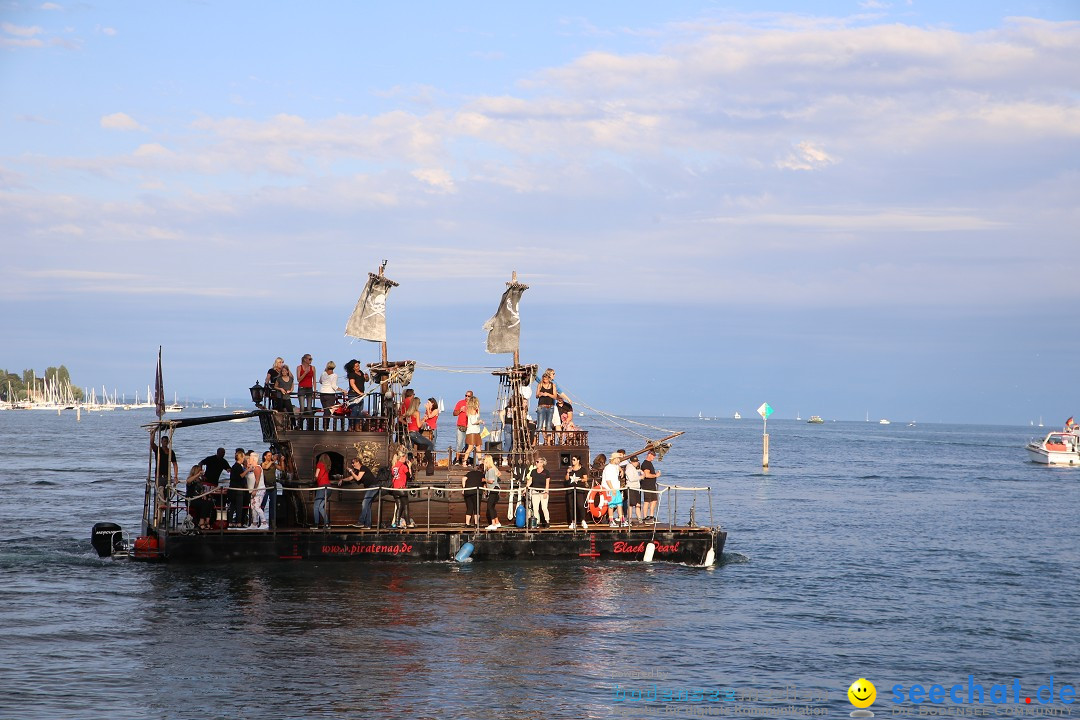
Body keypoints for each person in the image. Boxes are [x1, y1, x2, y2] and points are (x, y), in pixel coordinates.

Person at [184, 465, 215, 530]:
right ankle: (201, 521)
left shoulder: (200, 480)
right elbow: (188, 481)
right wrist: (198, 475)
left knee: (210, 503)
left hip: (199, 499)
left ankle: (207, 521)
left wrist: (204, 495)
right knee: (204, 504)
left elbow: (201, 491)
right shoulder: (191, 479)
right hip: (191, 499)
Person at [389, 446, 414, 529]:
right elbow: (409, 477)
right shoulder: (403, 467)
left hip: (395, 489)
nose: (406, 459)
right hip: (402, 489)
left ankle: (397, 523)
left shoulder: (394, 467)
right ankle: (408, 523)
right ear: (402, 457)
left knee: (399, 506)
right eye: (405, 457)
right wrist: (409, 467)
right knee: (406, 506)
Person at [348, 458, 376, 528]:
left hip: (373, 486)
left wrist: (351, 471)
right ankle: (368, 525)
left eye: (353, 462)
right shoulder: (358, 471)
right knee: (367, 505)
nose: (352, 464)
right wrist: (342, 480)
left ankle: (361, 522)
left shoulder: (363, 468)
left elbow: (358, 478)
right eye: (352, 463)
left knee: (364, 503)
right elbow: (351, 478)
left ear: (358, 462)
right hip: (370, 487)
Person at [526, 457, 551, 528]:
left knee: (544, 507)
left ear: (542, 463)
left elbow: (547, 483)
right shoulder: (533, 471)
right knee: (535, 508)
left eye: (537, 462)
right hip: (535, 492)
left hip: (543, 491)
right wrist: (526, 488)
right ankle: (536, 522)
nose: (536, 463)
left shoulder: (546, 472)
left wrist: (546, 492)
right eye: (536, 462)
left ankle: (547, 521)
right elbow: (530, 481)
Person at [459, 396, 484, 467]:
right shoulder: (472, 411)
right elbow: (473, 421)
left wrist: (478, 411)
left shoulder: (474, 411)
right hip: (472, 432)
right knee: (470, 447)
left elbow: (477, 417)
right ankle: (464, 461)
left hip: (476, 431)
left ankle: (480, 461)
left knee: (478, 447)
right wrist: (480, 421)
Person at [565, 455, 589, 530]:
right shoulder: (570, 469)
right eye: (572, 460)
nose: (572, 461)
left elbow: (585, 479)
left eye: (574, 460)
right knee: (571, 506)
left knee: (580, 505)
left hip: (579, 489)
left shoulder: (582, 469)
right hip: (571, 489)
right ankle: (573, 522)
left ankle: (583, 520)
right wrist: (568, 473)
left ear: (578, 461)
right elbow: (566, 479)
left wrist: (579, 480)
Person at [602, 451, 624, 526]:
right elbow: (608, 480)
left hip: (616, 488)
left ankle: (622, 520)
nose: (619, 460)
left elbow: (618, 467)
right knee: (611, 505)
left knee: (619, 504)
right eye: (618, 459)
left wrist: (621, 471)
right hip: (610, 489)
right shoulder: (608, 468)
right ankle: (611, 520)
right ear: (614, 459)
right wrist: (612, 489)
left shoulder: (616, 466)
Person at [227, 448, 248, 527]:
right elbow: (241, 476)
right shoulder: (238, 466)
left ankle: (230, 522)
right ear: (241, 457)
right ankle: (238, 523)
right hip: (238, 489)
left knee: (232, 506)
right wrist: (248, 470)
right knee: (239, 506)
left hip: (232, 489)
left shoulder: (234, 466)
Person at [318, 361, 341, 430]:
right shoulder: (334, 375)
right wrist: (342, 390)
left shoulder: (323, 374)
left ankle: (325, 427)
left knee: (326, 410)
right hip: (330, 394)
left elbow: (320, 381)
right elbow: (334, 386)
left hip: (322, 394)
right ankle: (326, 427)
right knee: (328, 411)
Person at [640, 450, 661, 523]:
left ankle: (651, 516)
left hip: (652, 485)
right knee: (647, 501)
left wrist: (655, 474)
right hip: (647, 485)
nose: (654, 457)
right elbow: (647, 475)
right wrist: (656, 475)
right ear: (649, 454)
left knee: (654, 500)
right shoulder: (645, 464)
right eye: (653, 455)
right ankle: (645, 517)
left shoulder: (650, 463)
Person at [345, 360, 367, 426]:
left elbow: (366, 380)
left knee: (360, 411)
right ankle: (351, 426)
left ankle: (357, 426)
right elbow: (352, 384)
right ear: (353, 367)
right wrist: (359, 392)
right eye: (356, 366)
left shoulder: (361, 372)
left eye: (358, 365)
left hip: (361, 395)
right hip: (353, 394)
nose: (358, 367)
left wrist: (366, 377)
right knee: (355, 410)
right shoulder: (352, 374)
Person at [247, 451, 266, 529]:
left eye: (250, 459)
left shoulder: (257, 468)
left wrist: (255, 490)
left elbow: (257, 480)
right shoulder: (252, 468)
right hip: (253, 490)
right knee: (253, 506)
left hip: (259, 489)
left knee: (257, 506)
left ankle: (264, 522)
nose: (249, 460)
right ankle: (254, 523)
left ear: (254, 459)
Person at [461, 464, 484, 528]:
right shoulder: (482, 474)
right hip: (476, 492)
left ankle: (467, 524)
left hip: (468, 491)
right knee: (476, 507)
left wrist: (464, 488)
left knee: (469, 507)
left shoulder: (470, 473)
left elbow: (463, 478)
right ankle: (476, 524)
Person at [535, 371, 558, 436]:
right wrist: (540, 394)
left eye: (546, 379)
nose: (545, 380)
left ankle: (548, 442)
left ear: (549, 379)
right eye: (544, 379)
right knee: (539, 425)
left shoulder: (552, 385)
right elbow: (536, 396)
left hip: (550, 407)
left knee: (548, 425)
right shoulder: (540, 384)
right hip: (541, 406)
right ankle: (534, 440)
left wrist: (547, 394)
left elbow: (555, 396)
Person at [483, 455, 502, 530]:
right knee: (492, 507)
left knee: (489, 506)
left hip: (493, 489)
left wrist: (484, 480)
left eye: (484, 459)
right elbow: (499, 473)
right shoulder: (494, 468)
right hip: (495, 489)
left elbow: (491, 481)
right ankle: (497, 522)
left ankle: (493, 523)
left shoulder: (490, 470)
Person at [297, 354, 316, 428]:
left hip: (309, 388)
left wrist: (314, 390)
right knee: (302, 407)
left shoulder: (313, 368)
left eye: (311, 359)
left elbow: (314, 380)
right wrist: (305, 372)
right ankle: (300, 425)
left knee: (309, 407)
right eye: (309, 359)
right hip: (302, 388)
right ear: (305, 359)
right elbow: (298, 379)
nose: (310, 360)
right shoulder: (299, 367)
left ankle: (310, 426)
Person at [453, 391, 473, 459]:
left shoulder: (473, 404)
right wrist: (460, 410)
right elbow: (454, 413)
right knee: (459, 444)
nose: (466, 397)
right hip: (460, 426)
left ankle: (466, 459)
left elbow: (476, 415)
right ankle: (457, 460)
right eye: (466, 395)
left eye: (468, 396)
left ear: (471, 397)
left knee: (468, 445)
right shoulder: (460, 402)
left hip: (469, 427)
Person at [261, 451, 278, 528]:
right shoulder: (262, 464)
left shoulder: (273, 464)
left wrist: (281, 461)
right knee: (262, 505)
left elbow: (282, 468)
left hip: (273, 486)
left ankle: (273, 523)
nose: (270, 457)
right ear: (265, 457)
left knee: (273, 505)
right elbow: (266, 467)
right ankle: (261, 522)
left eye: (271, 455)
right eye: (268, 455)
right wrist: (272, 461)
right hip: (265, 487)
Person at [313, 453, 331, 528]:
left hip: (322, 487)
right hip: (329, 488)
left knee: (316, 506)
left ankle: (316, 524)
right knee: (321, 507)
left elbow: (316, 475)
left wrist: (314, 480)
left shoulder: (320, 464)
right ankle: (326, 523)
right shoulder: (327, 467)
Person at [624, 455, 643, 525]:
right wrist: (640, 477)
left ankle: (639, 518)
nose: (636, 463)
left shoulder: (634, 468)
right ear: (631, 462)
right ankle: (629, 518)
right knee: (631, 504)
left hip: (636, 488)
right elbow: (631, 479)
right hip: (631, 487)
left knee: (638, 504)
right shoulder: (629, 468)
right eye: (634, 462)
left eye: (637, 462)